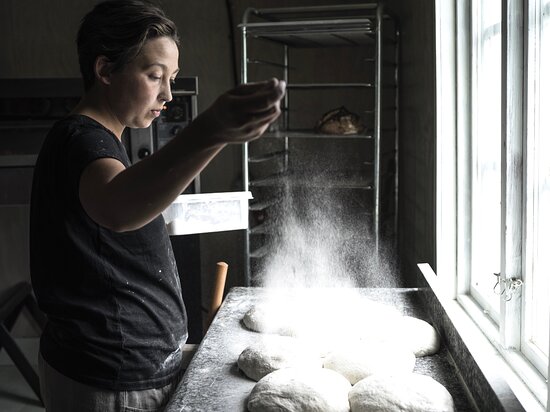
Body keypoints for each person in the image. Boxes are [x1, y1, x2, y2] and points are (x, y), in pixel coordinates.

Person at [29, 1, 285, 410]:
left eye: (172, 79)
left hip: (123, 368)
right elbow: (117, 208)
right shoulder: (83, 141)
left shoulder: (95, 138)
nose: (167, 94)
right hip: (111, 380)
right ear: (105, 70)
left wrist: (218, 135)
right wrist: (209, 130)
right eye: (154, 76)